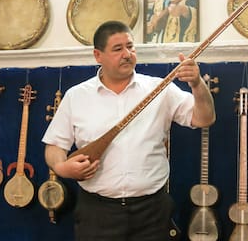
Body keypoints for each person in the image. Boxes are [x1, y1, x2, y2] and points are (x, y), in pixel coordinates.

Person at [42, 20, 215, 241]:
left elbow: (204, 118)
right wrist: (62, 167)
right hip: (97, 213)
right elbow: (54, 146)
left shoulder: (160, 88)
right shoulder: (76, 96)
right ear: (98, 55)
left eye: (130, 47)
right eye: (117, 49)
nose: (127, 54)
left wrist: (197, 84)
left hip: (152, 212)